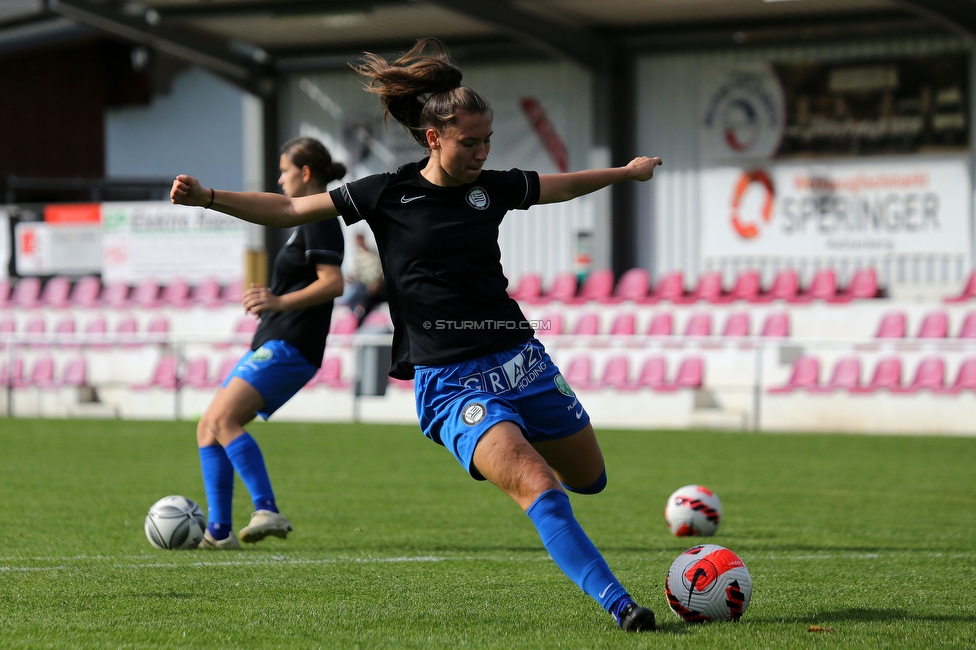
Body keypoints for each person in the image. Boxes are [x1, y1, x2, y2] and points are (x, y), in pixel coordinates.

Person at [171, 38, 662, 631]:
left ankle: (526, 449)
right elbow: (291, 212)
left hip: (521, 361)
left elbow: (562, 184)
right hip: (452, 384)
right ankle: (622, 606)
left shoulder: (495, 188)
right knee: (540, 488)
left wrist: (626, 172)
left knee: (591, 480)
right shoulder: (386, 192)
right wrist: (210, 198)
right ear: (434, 138)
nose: (482, 152)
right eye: (469, 142)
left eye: (487, 141)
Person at [195, 137, 347, 549]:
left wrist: (278, 301)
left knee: (222, 422)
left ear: (306, 173)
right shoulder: (304, 221)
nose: (280, 179)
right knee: (208, 429)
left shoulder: (319, 217)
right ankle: (219, 534)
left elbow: (333, 283)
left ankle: (267, 509)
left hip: (290, 344)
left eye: (284, 170)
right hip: (275, 340)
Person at [340, 232, 386, 325]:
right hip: (365, 287)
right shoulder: (357, 257)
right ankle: (355, 320)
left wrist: (378, 283)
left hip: (379, 286)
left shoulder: (373, 253)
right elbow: (354, 275)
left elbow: (382, 270)